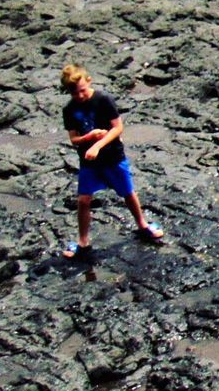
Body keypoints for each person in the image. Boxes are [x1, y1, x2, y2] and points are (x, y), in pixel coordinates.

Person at [59, 64, 164, 259]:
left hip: (112, 155)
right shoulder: (69, 109)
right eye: (74, 93)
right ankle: (83, 241)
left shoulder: (103, 99)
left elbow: (117, 128)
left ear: (88, 81)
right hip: (89, 160)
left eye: (82, 91)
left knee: (127, 192)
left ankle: (142, 225)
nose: (80, 96)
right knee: (83, 199)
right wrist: (89, 138)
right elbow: (74, 139)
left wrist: (98, 144)